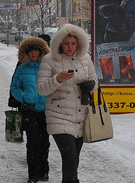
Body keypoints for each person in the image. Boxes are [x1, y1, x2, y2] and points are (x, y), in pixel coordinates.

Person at [37, 24, 98, 183]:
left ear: (79, 43)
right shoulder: (49, 60)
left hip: (80, 116)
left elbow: (95, 80)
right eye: (66, 43)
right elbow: (42, 89)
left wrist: (91, 85)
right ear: (59, 43)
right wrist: (58, 79)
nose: (70, 47)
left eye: (73, 43)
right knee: (70, 157)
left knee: (74, 159)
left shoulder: (85, 58)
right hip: (59, 115)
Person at [10, 37, 51, 183]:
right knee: (33, 143)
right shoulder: (22, 68)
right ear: (27, 52)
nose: (34, 53)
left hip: (46, 111)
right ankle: (33, 175)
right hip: (29, 110)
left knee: (45, 142)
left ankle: (44, 171)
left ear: (41, 52)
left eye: (36, 50)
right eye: (31, 50)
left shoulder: (47, 67)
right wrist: (24, 96)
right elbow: (14, 87)